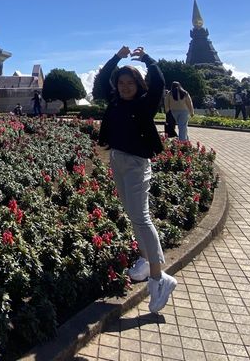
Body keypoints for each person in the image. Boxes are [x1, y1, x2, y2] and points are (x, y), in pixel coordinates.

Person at [95, 45, 177, 314]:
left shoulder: (144, 104)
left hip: (136, 164)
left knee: (141, 218)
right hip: (117, 159)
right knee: (131, 214)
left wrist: (148, 59)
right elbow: (101, 78)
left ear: (138, 85)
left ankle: (159, 278)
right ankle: (145, 258)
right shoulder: (115, 100)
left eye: (130, 83)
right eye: (121, 82)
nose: (125, 86)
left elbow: (160, 82)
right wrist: (117, 57)